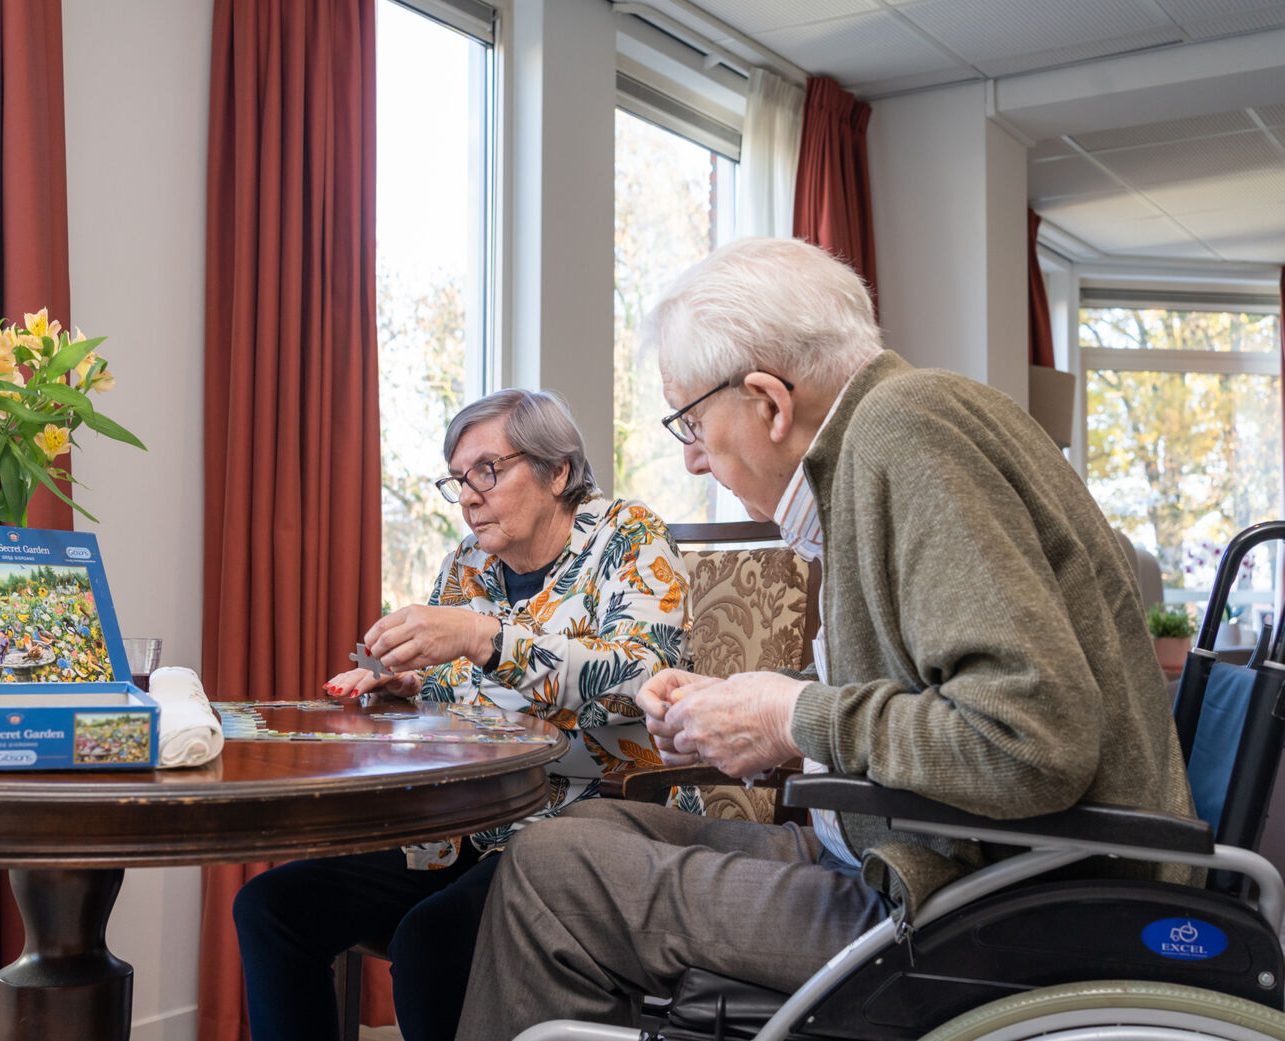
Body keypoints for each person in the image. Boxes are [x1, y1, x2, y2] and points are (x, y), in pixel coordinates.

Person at [454, 237, 1200, 1039]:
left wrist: (792, 716)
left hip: (986, 903)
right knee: (584, 829)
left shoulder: (909, 433)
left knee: (550, 872)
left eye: (693, 422)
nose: (696, 459)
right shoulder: (896, 433)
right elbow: (933, 695)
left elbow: (1030, 739)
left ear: (771, 402)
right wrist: (747, 707)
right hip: (927, 860)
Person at [232, 388, 691, 1041]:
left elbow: (644, 682)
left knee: (430, 943)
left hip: (589, 829)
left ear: (557, 471)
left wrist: (485, 637)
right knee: (271, 905)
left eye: (487, 471)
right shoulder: (466, 565)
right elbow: (460, 688)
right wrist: (406, 686)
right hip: (465, 826)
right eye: (458, 480)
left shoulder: (631, 539)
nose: (469, 495)